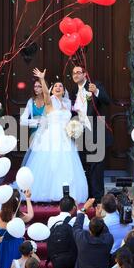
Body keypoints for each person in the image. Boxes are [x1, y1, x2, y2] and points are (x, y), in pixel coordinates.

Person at [23, 68, 88, 203]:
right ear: (52, 90)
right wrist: (41, 78)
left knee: (67, 165)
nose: (58, 87)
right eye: (56, 86)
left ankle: (66, 193)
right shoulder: (49, 101)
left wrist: (73, 128)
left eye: (61, 86)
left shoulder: (68, 103)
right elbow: (45, 93)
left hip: (65, 137)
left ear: (64, 90)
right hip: (51, 136)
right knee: (50, 163)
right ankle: (47, 191)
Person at [70, 66, 113, 201]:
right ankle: (87, 196)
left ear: (84, 74)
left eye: (78, 72)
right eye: (74, 73)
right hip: (81, 134)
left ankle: (98, 198)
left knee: (97, 166)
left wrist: (97, 91)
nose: (76, 75)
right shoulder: (73, 91)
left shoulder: (94, 86)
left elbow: (107, 101)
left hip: (96, 131)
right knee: (85, 166)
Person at [72, 198, 114, 268]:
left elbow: (76, 226)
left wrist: (84, 209)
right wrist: (99, 218)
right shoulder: (108, 240)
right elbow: (106, 231)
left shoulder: (82, 238)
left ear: (89, 230)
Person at [0, 189, 34, 268]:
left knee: (3, 266)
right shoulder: (19, 216)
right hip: (16, 246)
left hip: (2, 245)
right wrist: (28, 198)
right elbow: (30, 215)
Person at [46, 195, 77, 268]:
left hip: (55, 257)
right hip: (71, 257)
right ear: (74, 208)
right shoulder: (75, 220)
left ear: (59, 207)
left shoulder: (51, 220)